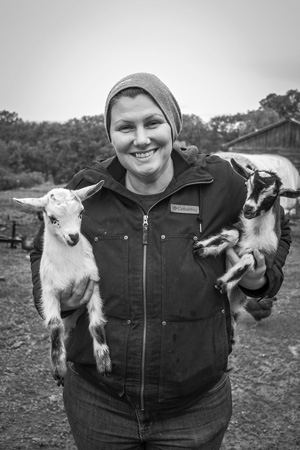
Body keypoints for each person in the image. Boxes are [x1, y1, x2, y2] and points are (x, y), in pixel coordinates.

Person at [30, 72, 291, 449]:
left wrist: (261, 278)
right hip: (99, 403)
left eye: (152, 122)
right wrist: (58, 298)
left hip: (195, 406)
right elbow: (42, 248)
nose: (140, 139)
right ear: (111, 135)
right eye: (125, 127)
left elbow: (277, 228)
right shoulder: (89, 189)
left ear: (173, 125)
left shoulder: (220, 182)